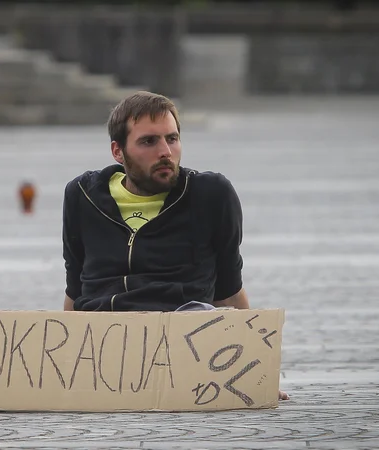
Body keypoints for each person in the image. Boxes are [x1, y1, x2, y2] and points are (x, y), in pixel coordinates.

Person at [61, 90, 289, 401]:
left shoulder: (210, 195)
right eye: (148, 141)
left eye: (172, 138)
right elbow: (75, 288)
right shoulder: (82, 195)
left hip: (185, 335)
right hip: (105, 337)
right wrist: (63, 367)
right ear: (118, 151)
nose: (165, 151)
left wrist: (255, 375)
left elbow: (229, 289)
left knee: (201, 314)